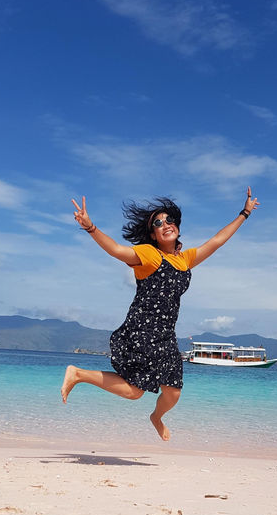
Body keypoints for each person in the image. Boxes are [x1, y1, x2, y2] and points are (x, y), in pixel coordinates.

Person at [61, 188, 260, 441]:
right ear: (153, 234)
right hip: (142, 331)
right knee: (135, 392)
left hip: (165, 336)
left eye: (169, 220)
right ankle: (77, 374)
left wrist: (244, 213)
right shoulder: (149, 255)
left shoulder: (184, 260)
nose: (165, 224)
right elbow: (116, 250)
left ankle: (156, 417)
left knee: (173, 392)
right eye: (158, 223)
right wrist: (91, 228)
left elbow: (217, 241)